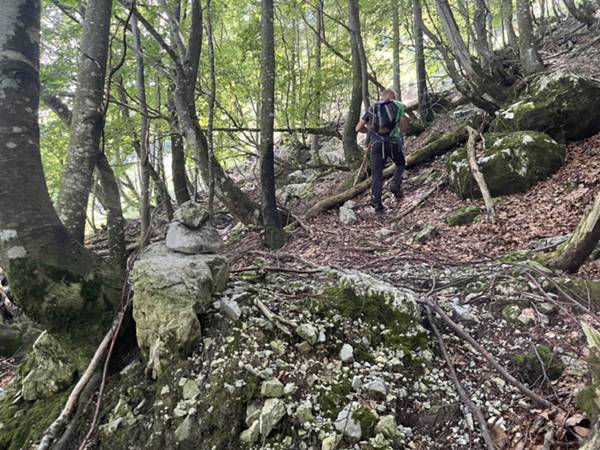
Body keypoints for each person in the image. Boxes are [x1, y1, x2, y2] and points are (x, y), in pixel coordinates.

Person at [355, 88, 408, 214]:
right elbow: (404, 124)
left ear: (382, 97)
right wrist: (401, 130)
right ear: (392, 97)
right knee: (401, 164)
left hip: (377, 144)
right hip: (393, 142)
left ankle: (377, 204)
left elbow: (358, 128)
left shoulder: (372, 108)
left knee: (377, 174)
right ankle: (395, 184)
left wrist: (370, 131)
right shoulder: (398, 106)